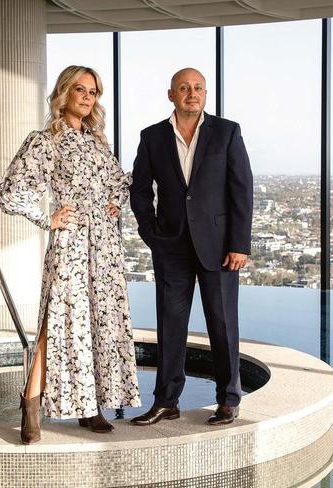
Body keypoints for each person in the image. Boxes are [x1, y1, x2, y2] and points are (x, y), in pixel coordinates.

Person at [0, 65, 141, 445]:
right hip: (72, 244)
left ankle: (90, 406)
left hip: (105, 246)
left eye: (93, 91)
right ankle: (30, 402)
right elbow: (11, 191)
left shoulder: (98, 141)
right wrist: (48, 218)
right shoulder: (45, 141)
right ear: (64, 93)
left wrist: (114, 202)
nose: (87, 96)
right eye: (80, 89)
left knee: (98, 322)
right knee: (59, 322)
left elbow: (120, 181)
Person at [129, 67, 253, 426]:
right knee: (170, 327)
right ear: (171, 94)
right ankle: (166, 401)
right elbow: (139, 190)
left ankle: (229, 400)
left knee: (223, 324)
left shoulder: (227, 132)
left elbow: (241, 189)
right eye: (184, 88)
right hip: (170, 246)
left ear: (205, 94)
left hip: (219, 248)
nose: (192, 93)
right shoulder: (152, 136)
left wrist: (239, 244)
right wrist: (150, 233)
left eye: (198, 88)